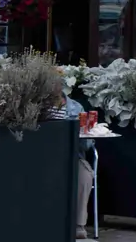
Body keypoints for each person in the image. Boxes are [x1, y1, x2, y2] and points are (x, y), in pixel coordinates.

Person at [43, 79, 94, 239]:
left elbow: (87, 145)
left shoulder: (76, 108)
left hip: (72, 156)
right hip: (44, 158)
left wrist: (85, 133)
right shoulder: (38, 107)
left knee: (85, 176)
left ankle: (79, 225)